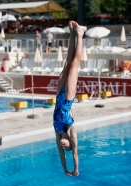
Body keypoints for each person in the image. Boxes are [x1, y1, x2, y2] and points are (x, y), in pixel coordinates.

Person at [53, 21, 84, 176]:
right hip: (68, 98)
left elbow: (61, 155)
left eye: (63, 146)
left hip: (59, 96)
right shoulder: (71, 130)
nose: (63, 146)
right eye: (66, 146)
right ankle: (80, 34)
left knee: (66, 64)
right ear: (70, 143)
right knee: (74, 65)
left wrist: (65, 169)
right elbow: (74, 154)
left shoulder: (58, 133)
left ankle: (72, 34)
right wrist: (75, 169)